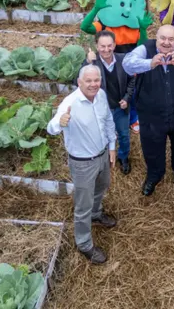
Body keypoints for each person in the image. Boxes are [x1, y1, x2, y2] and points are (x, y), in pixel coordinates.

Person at [47, 65, 117, 265]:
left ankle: (97, 214)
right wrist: (60, 122)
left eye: (97, 80)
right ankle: (84, 244)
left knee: (102, 187)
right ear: (79, 83)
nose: (94, 84)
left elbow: (108, 121)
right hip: (83, 164)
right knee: (82, 205)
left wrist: (112, 147)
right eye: (89, 81)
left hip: (102, 155)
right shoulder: (70, 103)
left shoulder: (101, 95)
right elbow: (50, 128)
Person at [123, 24, 174, 196]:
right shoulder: (145, 48)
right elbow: (127, 64)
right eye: (163, 38)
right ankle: (154, 174)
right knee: (152, 144)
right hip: (151, 114)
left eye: (171, 39)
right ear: (156, 38)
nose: (166, 42)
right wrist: (150, 63)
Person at [83, 30, 136, 175]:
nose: (106, 50)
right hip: (101, 110)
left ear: (114, 45)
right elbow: (77, 81)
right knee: (102, 135)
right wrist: (87, 62)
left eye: (109, 46)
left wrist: (126, 98)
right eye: (102, 46)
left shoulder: (123, 59)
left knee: (124, 135)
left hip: (120, 108)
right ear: (96, 46)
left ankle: (123, 157)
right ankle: (104, 158)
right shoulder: (92, 62)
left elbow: (132, 80)